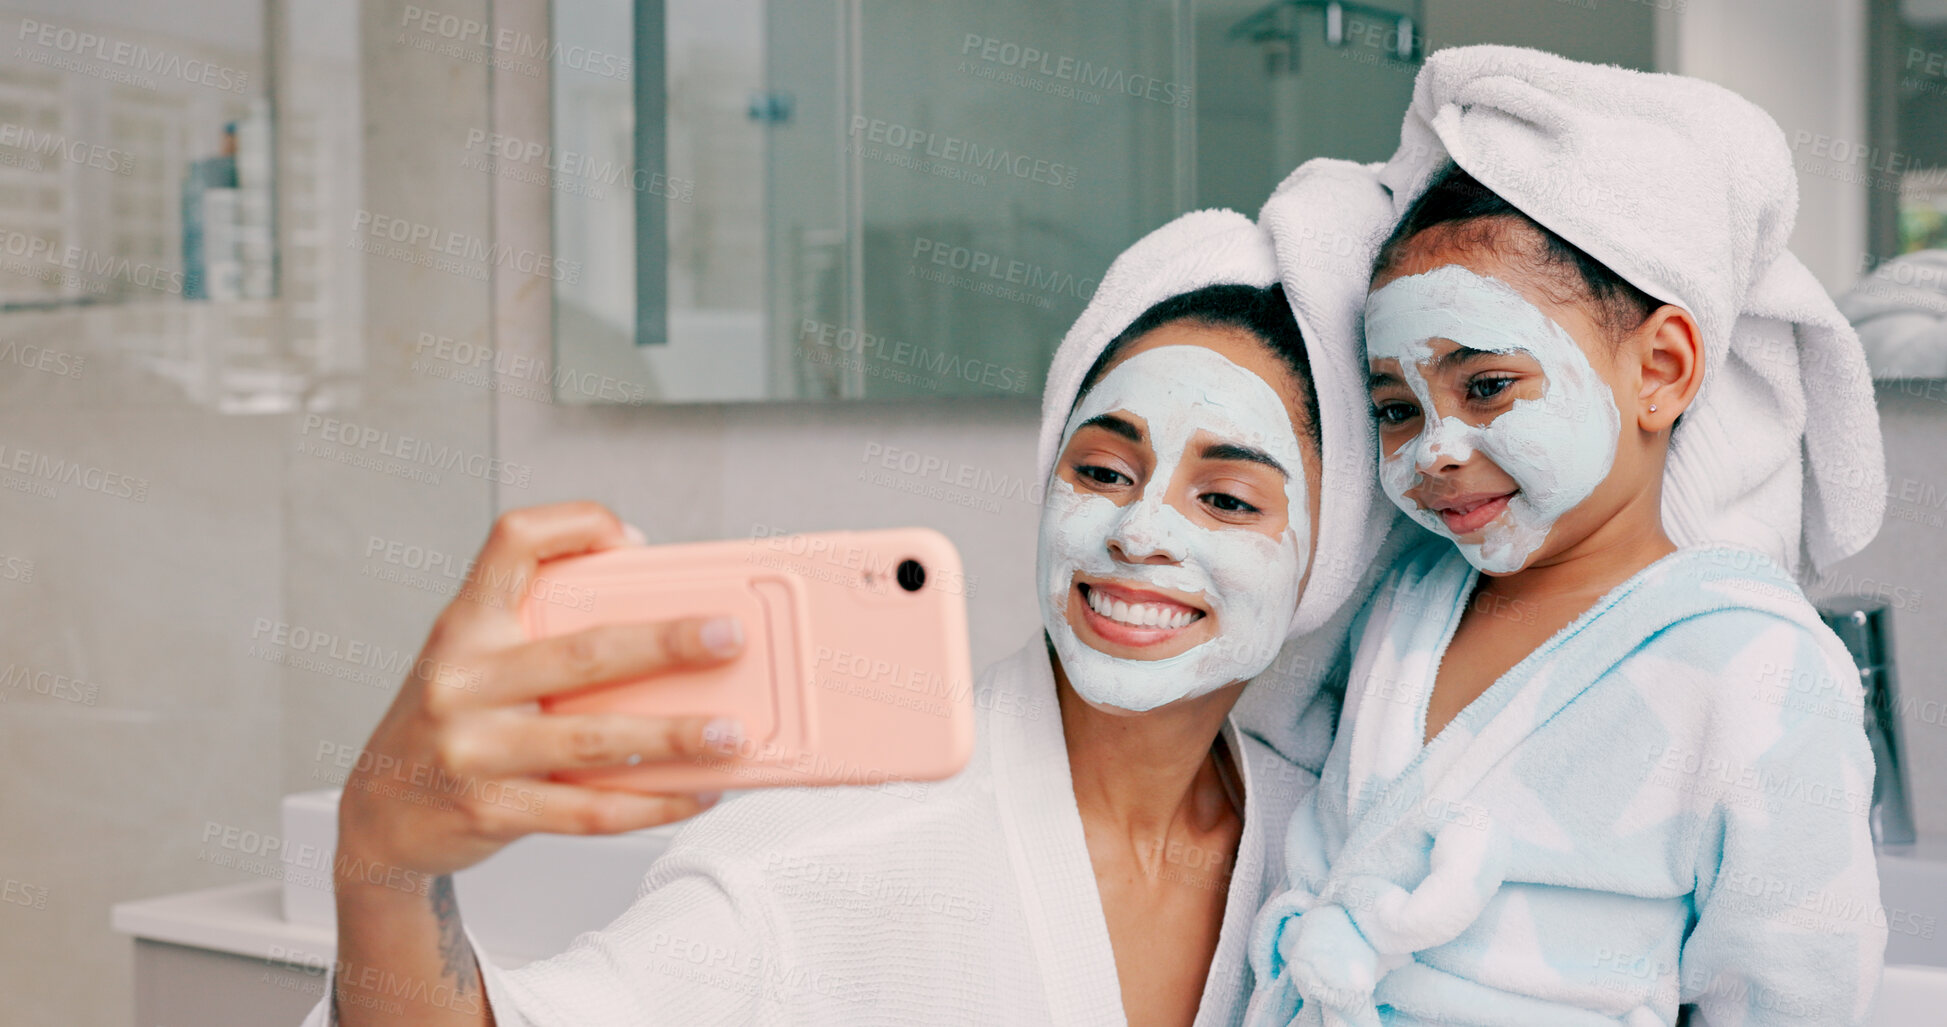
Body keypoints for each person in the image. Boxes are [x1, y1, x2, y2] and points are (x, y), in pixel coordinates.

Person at [304, 199, 1398, 1027]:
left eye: (1226, 497)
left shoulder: (1330, 847)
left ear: (1326, 555)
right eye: (1105, 469)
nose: (1140, 530)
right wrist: (384, 869)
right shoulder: (825, 851)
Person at [1246, 47, 1888, 1026]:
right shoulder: (1412, 601)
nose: (1436, 451)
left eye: (1489, 385)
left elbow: (1795, 993)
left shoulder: (1751, 666)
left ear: (1661, 371)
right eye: (1394, 409)